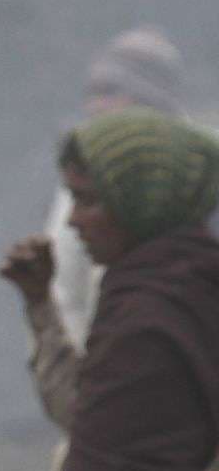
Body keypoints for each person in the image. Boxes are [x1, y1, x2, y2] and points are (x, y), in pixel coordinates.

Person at [0, 109, 219, 471]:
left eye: (89, 201)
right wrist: (41, 306)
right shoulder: (141, 289)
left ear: (141, 204)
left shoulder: (159, 313)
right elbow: (88, 416)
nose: (73, 221)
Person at [45, 27, 185, 349]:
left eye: (111, 92)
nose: (97, 106)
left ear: (150, 99)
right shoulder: (82, 176)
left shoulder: (198, 180)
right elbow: (64, 290)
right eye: (92, 93)